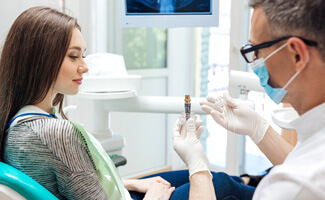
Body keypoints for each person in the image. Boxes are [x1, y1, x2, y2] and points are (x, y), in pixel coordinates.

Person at [0, 6, 254, 200]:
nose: (84, 66)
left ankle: (257, 181)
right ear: (40, 58)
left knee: (219, 178)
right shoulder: (54, 133)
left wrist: (129, 183)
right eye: (73, 56)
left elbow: (77, 185)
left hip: (116, 193)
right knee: (222, 184)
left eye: (83, 55)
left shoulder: (19, 122)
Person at [197, 0, 325, 199]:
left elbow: (301, 174)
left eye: (256, 50)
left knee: (221, 184)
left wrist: (197, 167)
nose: (254, 61)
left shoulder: (295, 185)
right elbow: (300, 158)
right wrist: (258, 129)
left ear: (297, 55)